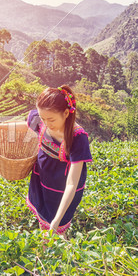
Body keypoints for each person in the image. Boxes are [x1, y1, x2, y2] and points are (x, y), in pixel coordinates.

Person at [25, 85, 92, 238]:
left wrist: (56, 221)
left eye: (51, 119)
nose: (46, 123)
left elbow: (71, 184)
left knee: (57, 224)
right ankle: (45, 242)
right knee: (43, 217)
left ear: (66, 113)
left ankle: (57, 244)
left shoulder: (78, 138)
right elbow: (24, 126)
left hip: (62, 190)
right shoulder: (38, 119)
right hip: (41, 180)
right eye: (43, 118)